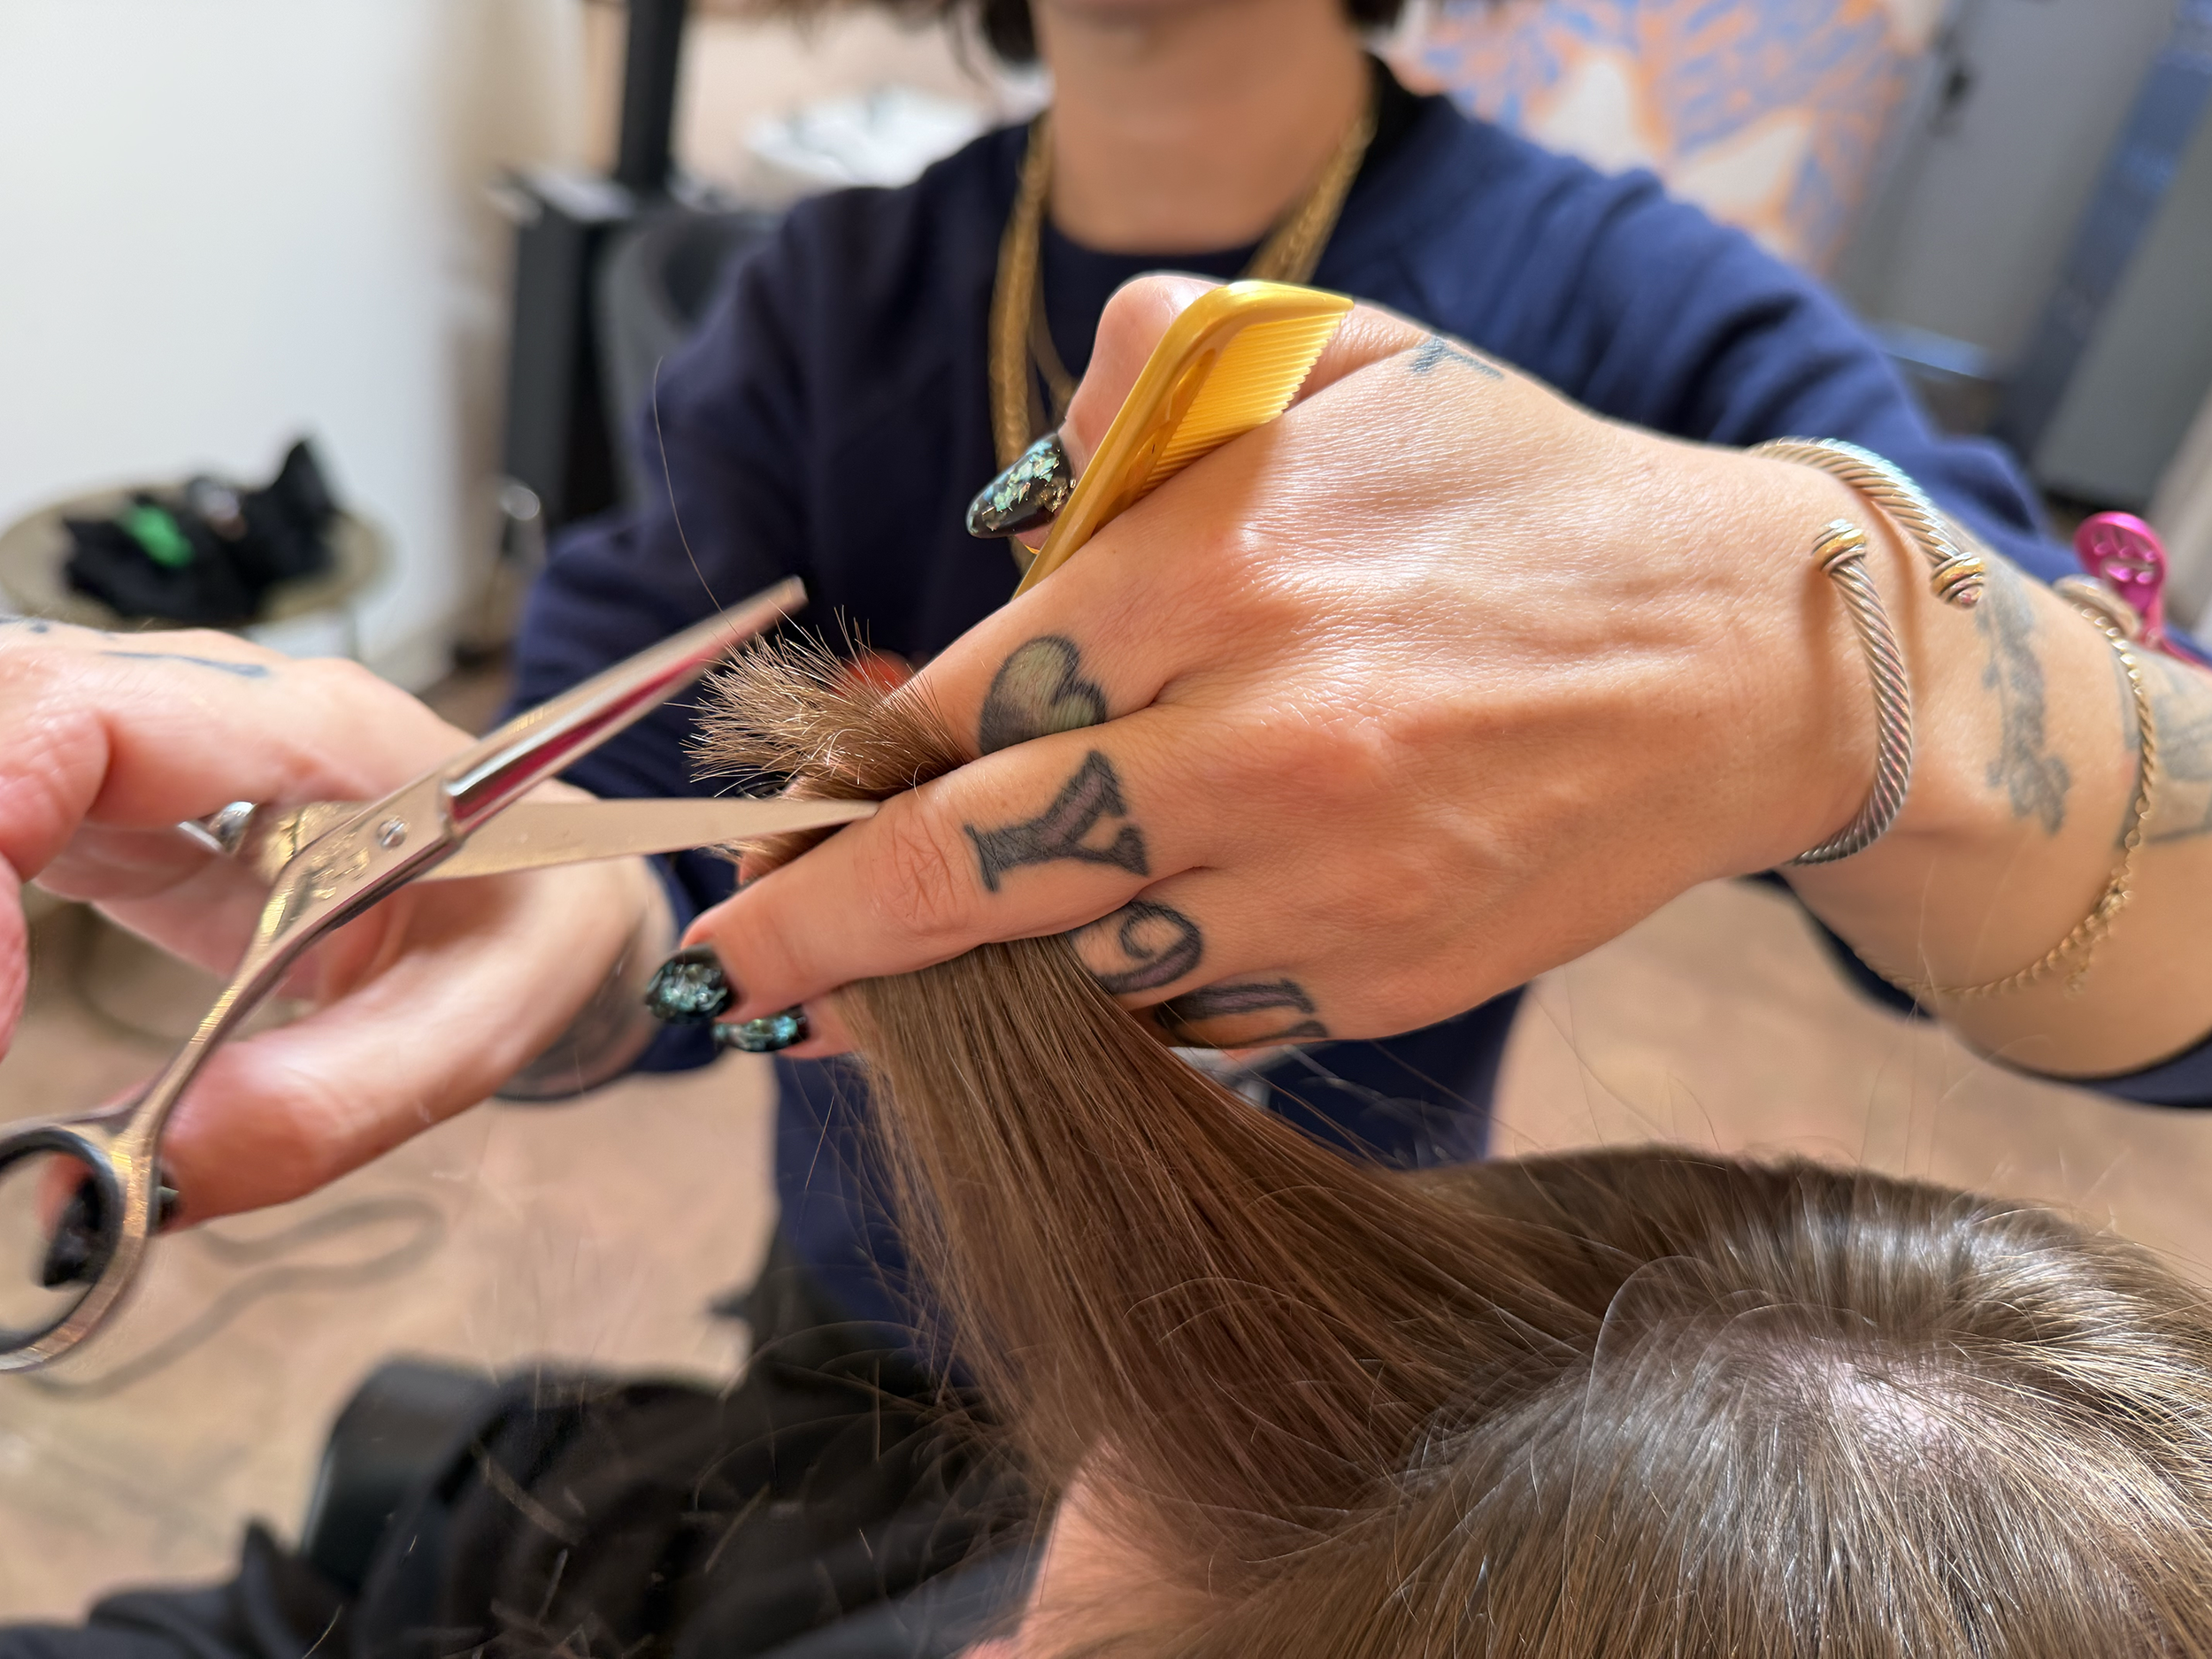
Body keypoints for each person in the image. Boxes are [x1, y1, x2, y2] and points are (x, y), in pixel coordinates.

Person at [1, 0, 2209, 1640]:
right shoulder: (821, 305)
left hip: (1337, 1391)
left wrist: (1853, 667)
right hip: (853, 1350)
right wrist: (543, 938)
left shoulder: (1635, 313)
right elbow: (653, 840)